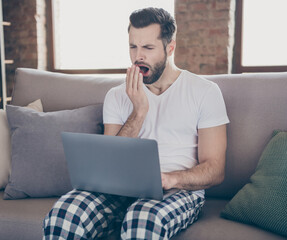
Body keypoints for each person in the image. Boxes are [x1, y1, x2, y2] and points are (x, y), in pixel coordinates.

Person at [43, 7, 229, 239]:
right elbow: (108, 164)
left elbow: (215, 169)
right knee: (65, 212)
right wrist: (139, 111)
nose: (138, 56)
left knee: (143, 219)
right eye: (133, 47)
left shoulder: (204, 92)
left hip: (178, 190)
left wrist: (172, 178)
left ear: (170, 48)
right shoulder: (117, 95)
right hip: (120, 189)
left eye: (148, 48)